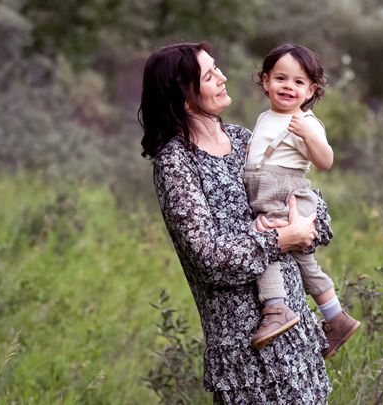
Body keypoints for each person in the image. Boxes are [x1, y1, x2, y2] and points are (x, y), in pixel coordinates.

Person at [139, 42, 333, 403]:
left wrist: (305, 225)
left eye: (218, 69)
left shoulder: (245, 138)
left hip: (298, 339)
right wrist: (282, 239)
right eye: (210, 75)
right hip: (247, 353)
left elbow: (308, 199)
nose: (223, 77)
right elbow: (208, 258)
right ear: (184, 94)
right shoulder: (176, 163)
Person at [245, 44, 360, 359]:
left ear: (312, 90)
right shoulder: (265, 116)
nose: (288, 87)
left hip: (285, 193)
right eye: (281, 78)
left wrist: (309, 135)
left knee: (264, 241)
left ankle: (276, 307)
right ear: (266, 80)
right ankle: (336, 317)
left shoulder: (306, 122)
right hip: (269, 191)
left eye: (298, 82)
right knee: (304, 261)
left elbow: (325, 160)